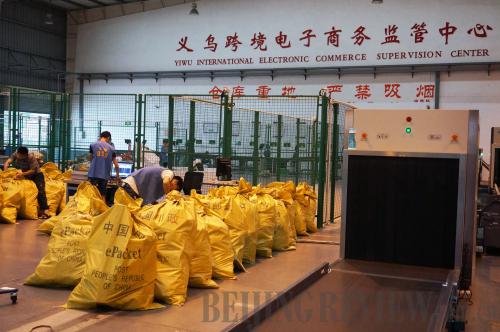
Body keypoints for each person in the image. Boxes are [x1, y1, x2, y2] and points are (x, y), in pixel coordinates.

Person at [3, 146, 50, 219]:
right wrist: (6, 171)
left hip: (37, 175)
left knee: (40, 191)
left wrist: (22, 174)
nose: (20, 157)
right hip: (25, 174)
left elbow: (33, 170)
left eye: (22, 156)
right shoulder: (15, 154)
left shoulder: (31, 157)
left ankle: (45, 210)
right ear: (18, 153)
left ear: (25, 155)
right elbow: (7, 162)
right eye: (19, 155)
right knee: (25, 190)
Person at [88, 131, 120, 197]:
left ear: (101, 137)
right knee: (102, 195)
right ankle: (102, 206)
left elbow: (90, 158)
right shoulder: (111, 148)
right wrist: (117, 176)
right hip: (104, 176)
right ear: (108, 138)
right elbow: (116, 165)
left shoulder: (93, 145)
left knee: (91, 195)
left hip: (93, 174)